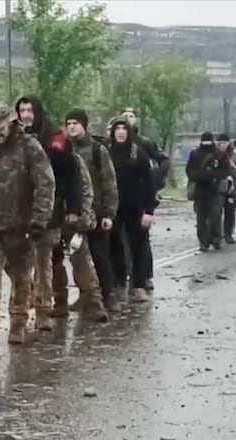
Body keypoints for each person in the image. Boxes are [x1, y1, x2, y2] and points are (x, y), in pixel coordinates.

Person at [0, 101, 55, 347]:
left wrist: (40, 220)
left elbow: (45, 184)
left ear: (10, 123)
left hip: (21, 224)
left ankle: (17, 325)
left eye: (0, 127)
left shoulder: (29, 147)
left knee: (20, 276)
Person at [15, 95, 81, 329]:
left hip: (51, 204)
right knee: (22, 263)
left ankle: (50, 304)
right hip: (19, 208)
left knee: (48, 259)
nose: (25, 115)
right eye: (22, 110)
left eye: (29, 110)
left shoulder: (55, 138)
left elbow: (72, 174)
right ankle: (22, 311)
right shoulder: (14, 137)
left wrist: (73, 208)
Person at [65, 109, 120, 313]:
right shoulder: (65, 150)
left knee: (100, 255)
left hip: (96, 212)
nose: (72, 127)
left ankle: (109, 294)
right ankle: (85, 294)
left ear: (84, 125)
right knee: (78, 257)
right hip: (74, 212)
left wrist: (109, 213)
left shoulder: (98, 150)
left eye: (75, 123)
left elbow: (109, 183)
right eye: (69, 123)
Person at [107, 116, 156, 302]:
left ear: (129, 132)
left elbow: (149, 184)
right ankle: (118, 282)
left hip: (135, 208)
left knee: (139, 247)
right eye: (117, 129)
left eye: (123, 129)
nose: (120, 132)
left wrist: (149, 211)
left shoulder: (139, 155)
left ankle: (138, 285)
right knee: (114, 246)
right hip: (113, 207)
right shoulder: (107, 153)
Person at [120, 108, 169, 292]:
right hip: (121, 199)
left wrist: (154, 182)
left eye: (131, 116)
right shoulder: (114, 144)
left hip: (142, 199)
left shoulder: (145, 143)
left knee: (141, 239)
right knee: (120, 241)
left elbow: (164, 160)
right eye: (124, 115)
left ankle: (145, 277)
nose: (127, 119)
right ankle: (123, 276)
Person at [186, 132, 233, 251]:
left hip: (216, 189)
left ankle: (216, 238)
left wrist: (214, 177)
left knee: (215, 215)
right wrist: (200, 176)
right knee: (201, 217)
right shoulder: (195, 154)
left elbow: (225, 170)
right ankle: (204, 242)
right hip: (200, 189)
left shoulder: (220, 155)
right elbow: (190, 170)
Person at [215, 133, 236, 243]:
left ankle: (228, 234)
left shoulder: (235, 155)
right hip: (217, 188)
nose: (222, 145)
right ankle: (217, 235)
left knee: (230, 212)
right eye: (220, 143)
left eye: (224, 142)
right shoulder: (214, 154)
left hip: (231, 188)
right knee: (216, 213)